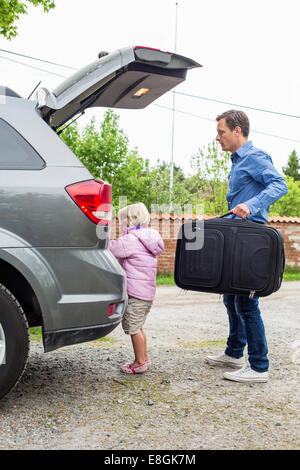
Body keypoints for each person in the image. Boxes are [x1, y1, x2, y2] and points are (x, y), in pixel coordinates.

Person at [206, 110, 288, 383]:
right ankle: (233, 352)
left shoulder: (254, 157)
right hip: (238, 234)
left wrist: (251, 205)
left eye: (221, 132)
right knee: (231, 296)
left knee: (246, 302)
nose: (217, 137)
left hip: (251, 237)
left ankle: (259, 367)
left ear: (237, 130)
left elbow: (280, 184)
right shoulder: (237, 161)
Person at [109, 202, 164, 374]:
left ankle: (140, 362)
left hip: (135, 293)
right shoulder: (149, 238)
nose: (119, 224)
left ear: (128, 221)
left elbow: (112, 249)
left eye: (121, 221)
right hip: (146, 293)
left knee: (132, 327)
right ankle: (143, 357)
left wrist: (101, 239)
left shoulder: (130, 240)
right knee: (138, 326)